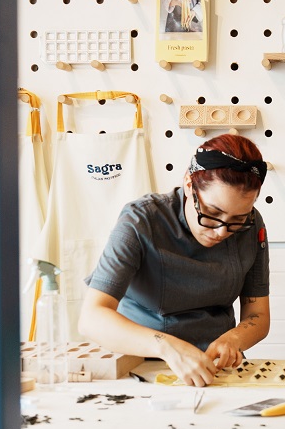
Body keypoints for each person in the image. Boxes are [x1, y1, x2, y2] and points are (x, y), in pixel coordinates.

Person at [78, 134, 270, 387]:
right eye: (212, 213)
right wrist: (168, 347)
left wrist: (233, 340)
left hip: (217, 370)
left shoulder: (252, 225)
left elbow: (258, 315)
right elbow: (91, 318)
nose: (222, 231)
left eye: (237, 219)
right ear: (189, 184)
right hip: (141, 367)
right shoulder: (141, 220)